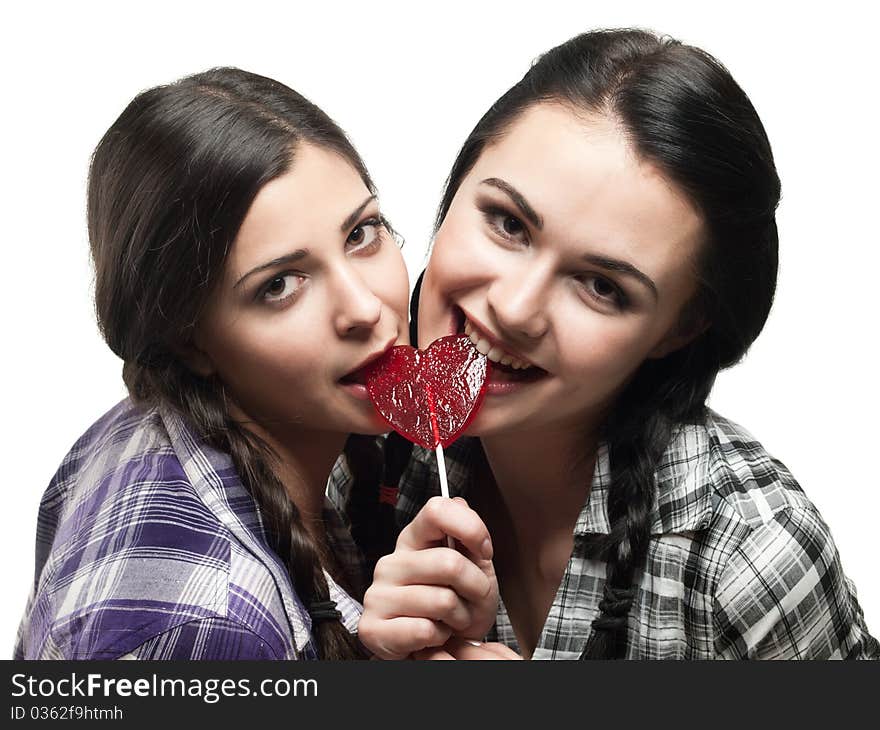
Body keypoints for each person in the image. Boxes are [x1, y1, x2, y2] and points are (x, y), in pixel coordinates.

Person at [344, 29, 880, 660]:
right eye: (508, 223)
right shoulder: (357, 444)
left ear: (679, 329)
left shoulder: (749, 553)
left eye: (602, 286)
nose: (515, 309)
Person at [15, 67, 410, 659]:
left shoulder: (152, 424)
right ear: (187, 340)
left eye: (361, 233)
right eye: (280, 285)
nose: (364, 306)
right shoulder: (209, 628)